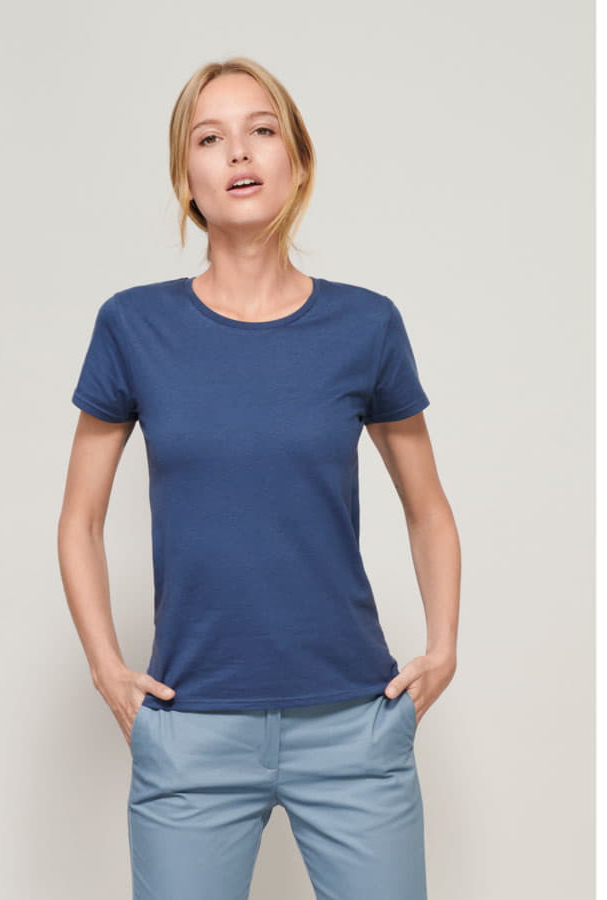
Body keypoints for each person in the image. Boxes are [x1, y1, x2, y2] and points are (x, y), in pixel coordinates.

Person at [57, 56, 461, 900]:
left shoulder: (365, 325)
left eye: (262, 130)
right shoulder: (133, 325)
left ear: (298, 161)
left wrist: (443, 648)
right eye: (210, 138)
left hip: (353, 727)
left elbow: (427, 509)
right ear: (186, 179)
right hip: (191, 734)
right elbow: (79, 519)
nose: (238, 152)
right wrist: (106, 667)